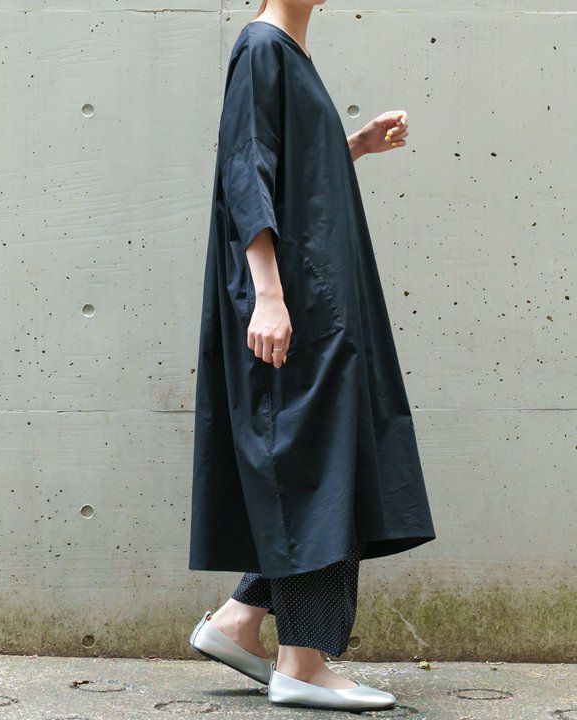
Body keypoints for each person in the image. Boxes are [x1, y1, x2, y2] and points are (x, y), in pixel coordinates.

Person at [188, 0, 436, 711]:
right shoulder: (262, 48)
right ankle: (301, 663)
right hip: (296, 304)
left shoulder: (287, 55)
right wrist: (268, 295)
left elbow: (291, 167)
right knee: (315, 465)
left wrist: (351, 146)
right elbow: (245, 171)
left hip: (319, 302)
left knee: (327, 458)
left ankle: (239, 621)